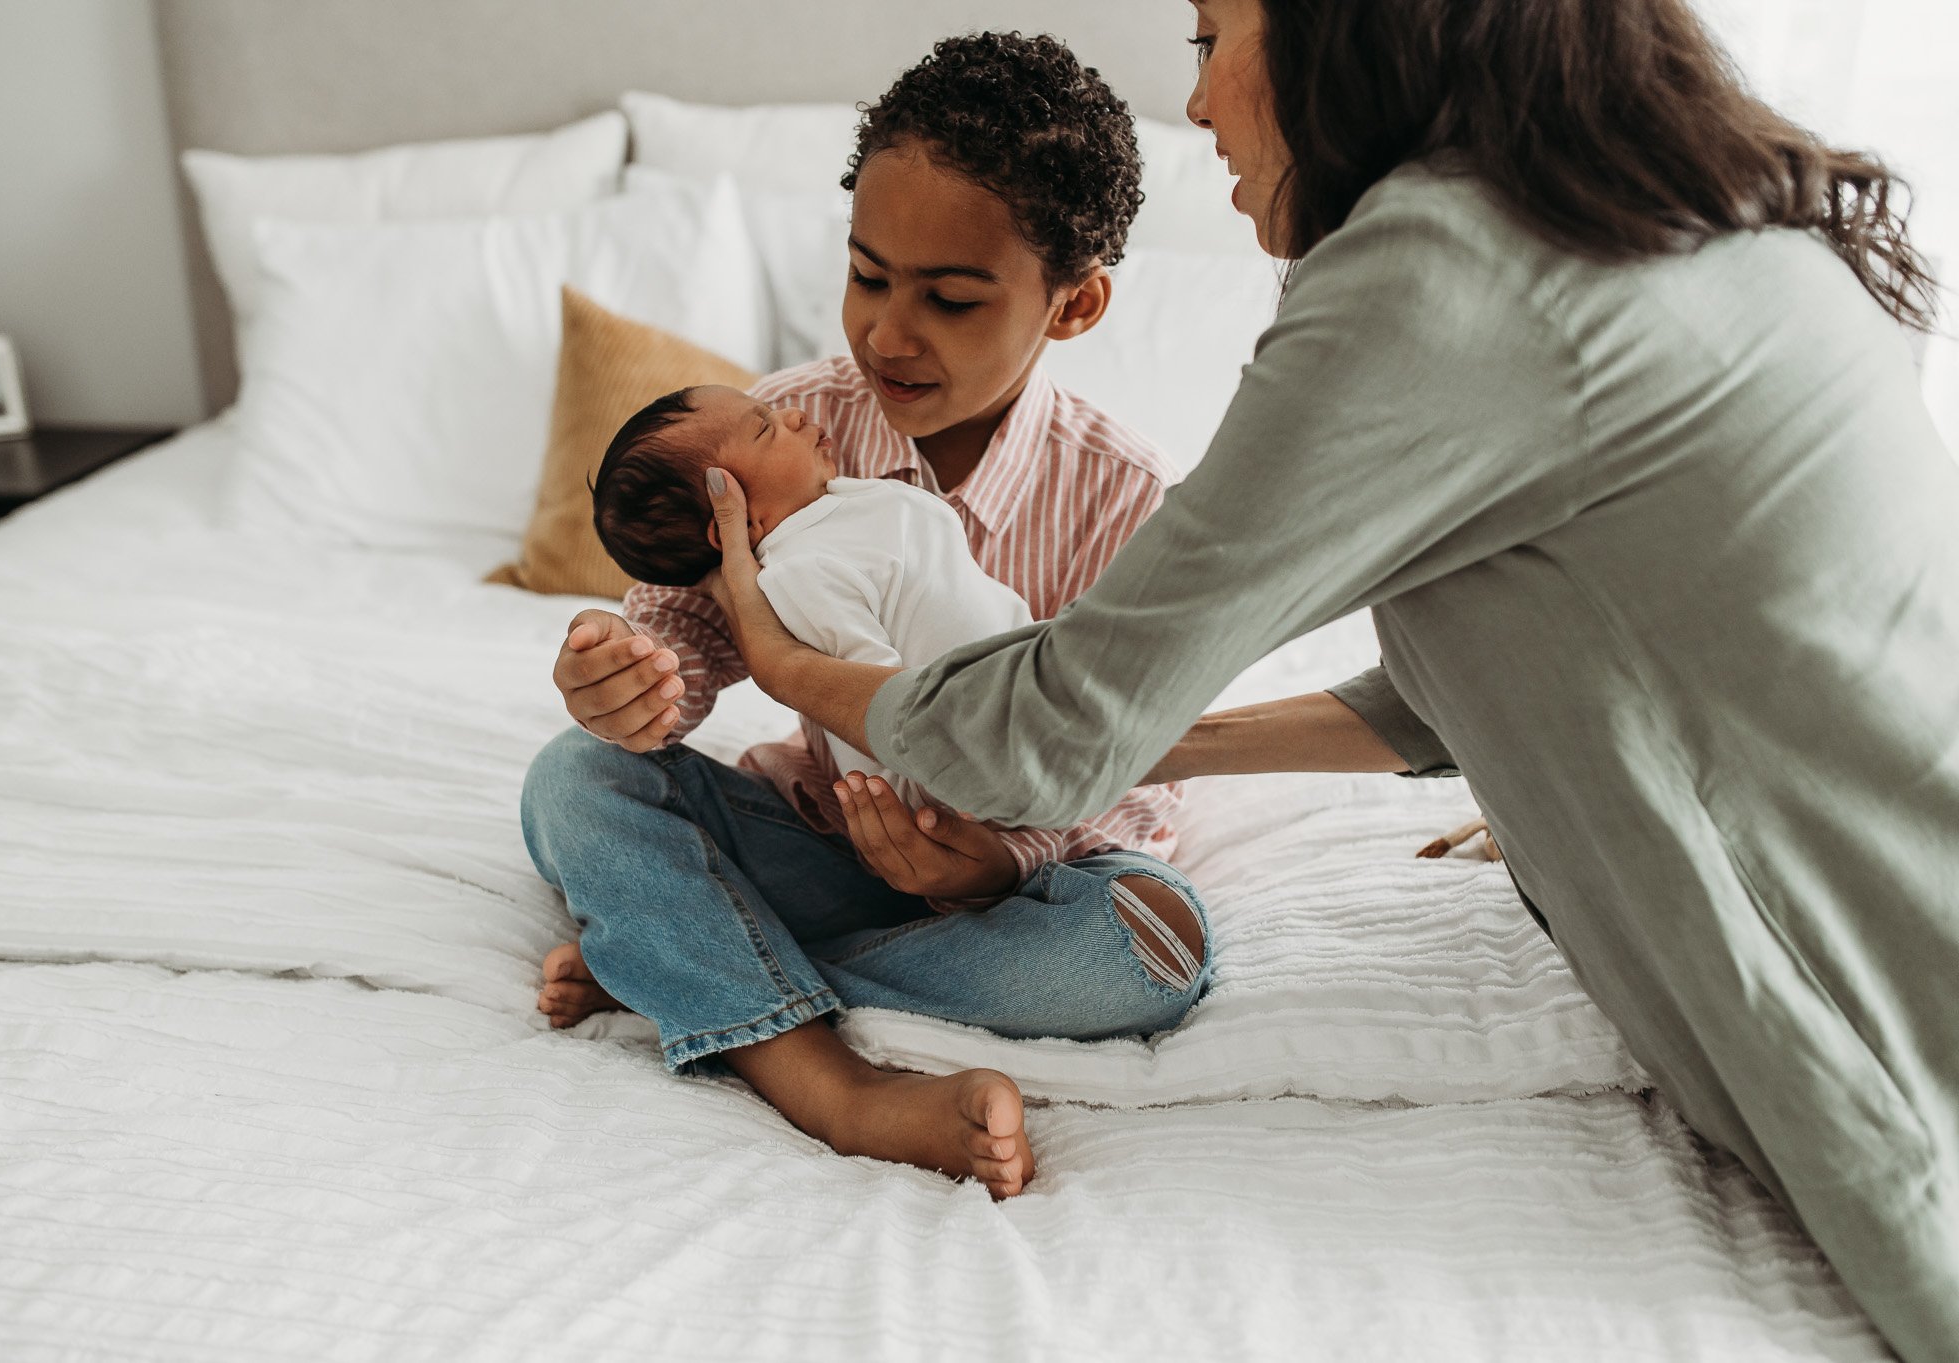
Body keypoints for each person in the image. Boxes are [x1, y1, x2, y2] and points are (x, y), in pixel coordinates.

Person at [699, 1, 1957, 1357]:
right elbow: (1465, 685)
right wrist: (1188, 743)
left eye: (1209, 39)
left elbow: (1045, 738)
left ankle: (752, 970)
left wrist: (782, 655)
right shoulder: (1669, 207)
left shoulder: (1439, 265)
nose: (1196, 108)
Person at [523, 33, 1211, 1200]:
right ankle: (828, 1084)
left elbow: (1140, 771)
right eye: (866, 276)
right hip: (819, 847)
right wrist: (631, 680)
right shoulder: (780, 427)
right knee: (574, 780)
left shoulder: (1122, 495)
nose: (889, 333)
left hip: (1005, 895)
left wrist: (992, 864)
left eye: (947, 297)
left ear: (1073, 303)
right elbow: (685, 636)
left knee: (1148, 949)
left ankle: (681, 961)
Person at [589, 382, 1034, 804]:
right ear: (738, 520)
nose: (795, 413)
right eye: (765, 427)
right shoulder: (801, 573)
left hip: (1027, 683)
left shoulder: (838, 507)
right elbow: (865, 706)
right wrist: (910, 810)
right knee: (580, 770)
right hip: (973, 759)